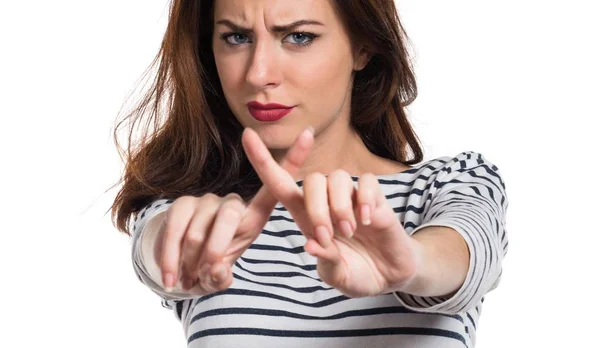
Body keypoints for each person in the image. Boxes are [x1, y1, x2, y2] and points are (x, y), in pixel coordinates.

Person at [110, 0, 509, 347]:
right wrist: (175, 245)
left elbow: (467, 253)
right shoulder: (199, 213)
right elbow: (158, 249)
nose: (258, 73)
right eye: (236, 38)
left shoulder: (449, 182)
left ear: (362, 46)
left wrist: (411, 263)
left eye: (298, 36)